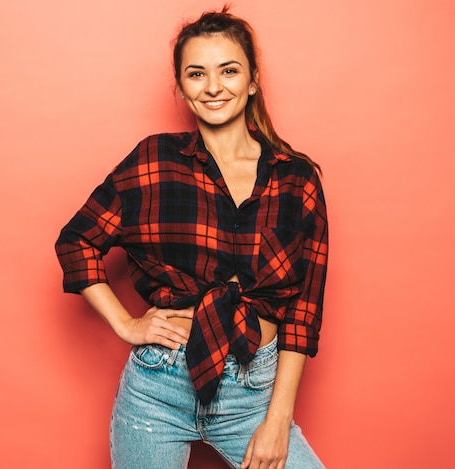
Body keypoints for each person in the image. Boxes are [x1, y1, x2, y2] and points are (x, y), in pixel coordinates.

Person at [55, 6, 328, 469]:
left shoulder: (296, 180)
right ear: (181, 87)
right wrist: (126, 324)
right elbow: (76, 241)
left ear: (253, 79)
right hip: (158, 390)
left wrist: (278, 419)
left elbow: (303, 309)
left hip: (254, 392)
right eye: (196, 73)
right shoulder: (154, 161)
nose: (214, 86)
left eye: (229, 70)